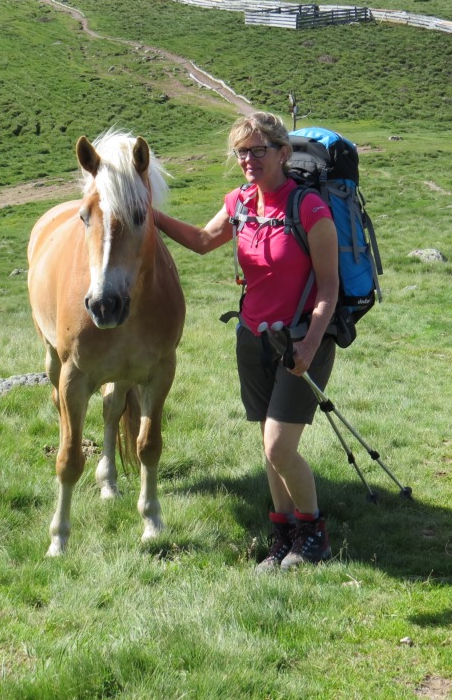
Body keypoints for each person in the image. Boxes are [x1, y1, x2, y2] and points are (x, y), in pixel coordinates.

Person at [154, 112, 340, 571]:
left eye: (258, 150)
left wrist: (311, 344)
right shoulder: (239, 202)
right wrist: (149, 213)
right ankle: (284, 535)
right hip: (253, 338)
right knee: (267, 443)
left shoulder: (309, 208)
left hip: (301, 341)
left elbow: (329, 287)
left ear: (283, 153)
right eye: (241, 151)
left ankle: (314, 533)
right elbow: (202, 240)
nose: (248, 159)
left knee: (279, 447)